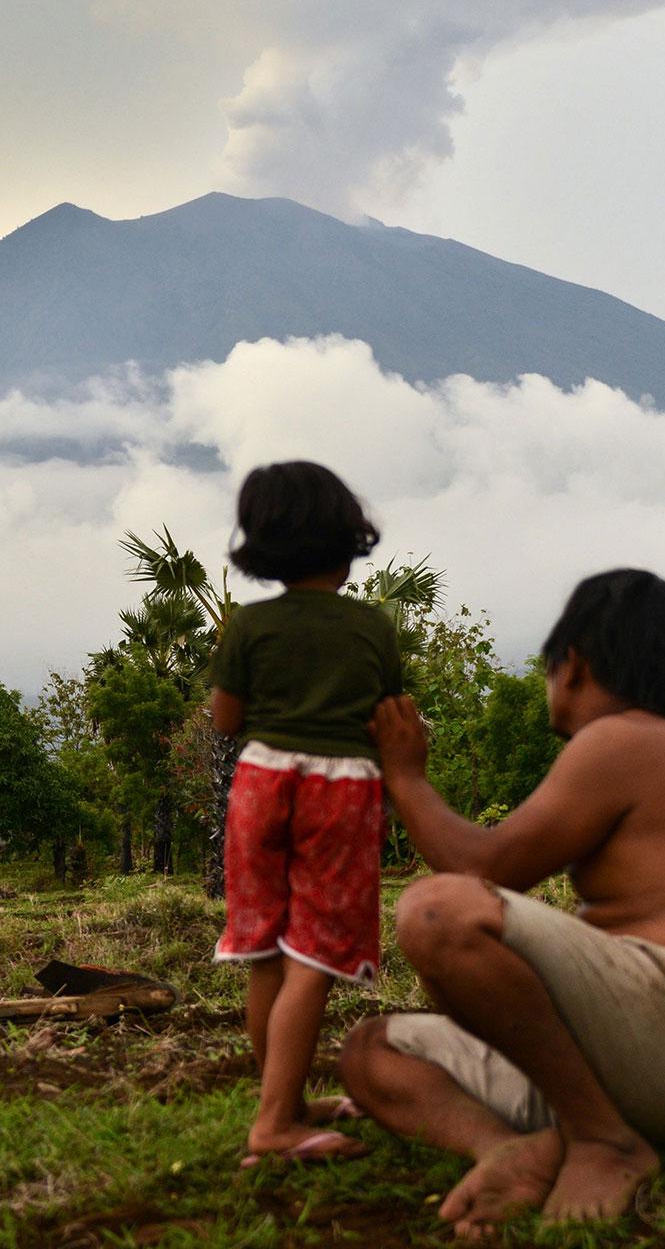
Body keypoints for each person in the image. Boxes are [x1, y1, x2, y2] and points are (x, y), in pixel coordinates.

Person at [340, 568, 665, 1235]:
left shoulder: (626, 739)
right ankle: (508, 1146)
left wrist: (405, 775)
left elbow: (482, 867)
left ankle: (602, 1140)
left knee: (438, 911)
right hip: (651, 1065)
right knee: (370, 1053)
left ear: (572, 665)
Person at [209, 460, 403, 1165]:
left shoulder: (249, 626)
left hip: (261, 785)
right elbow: (390, 715)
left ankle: (284, 1105)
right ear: (347, 539)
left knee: (267, 955)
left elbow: (226, 719)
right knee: (314, 957)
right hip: (339, 791)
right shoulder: (371, 627)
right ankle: (273, 1127)